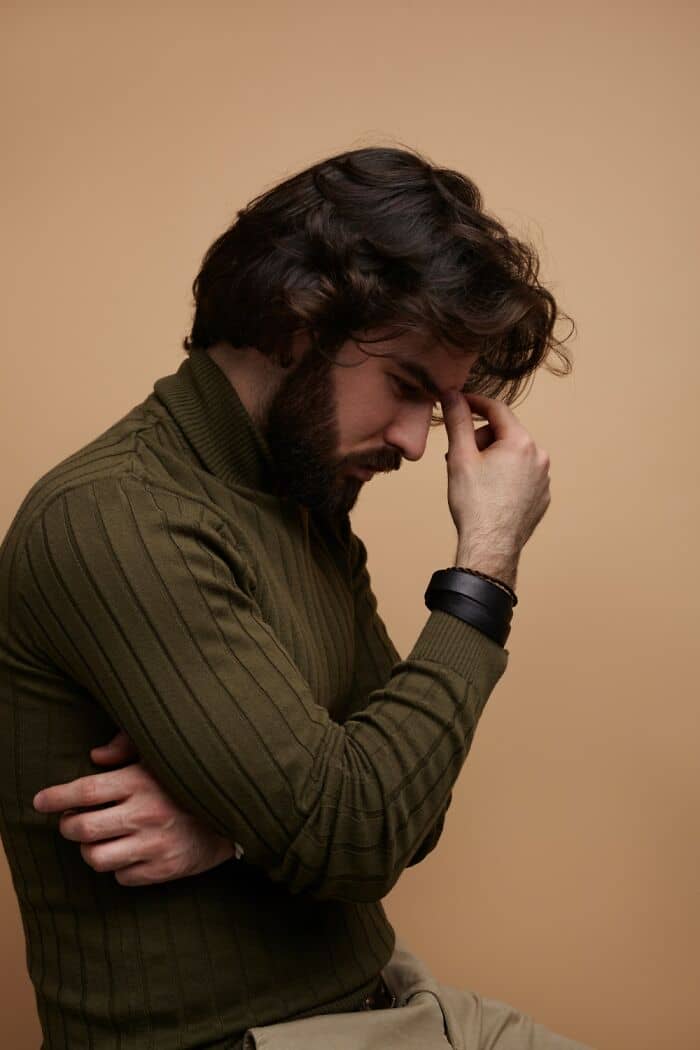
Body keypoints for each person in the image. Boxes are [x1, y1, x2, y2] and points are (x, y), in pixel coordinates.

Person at [0, 145, 589, 1049]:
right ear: (291, 321)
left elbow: (412, 806)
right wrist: (486, 563)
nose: (417, 442)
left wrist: (239, 828)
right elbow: (360, 831)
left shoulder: (304, 504)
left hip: (387, 1002)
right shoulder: (117, 517)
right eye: (405, 387)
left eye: (436, 406)